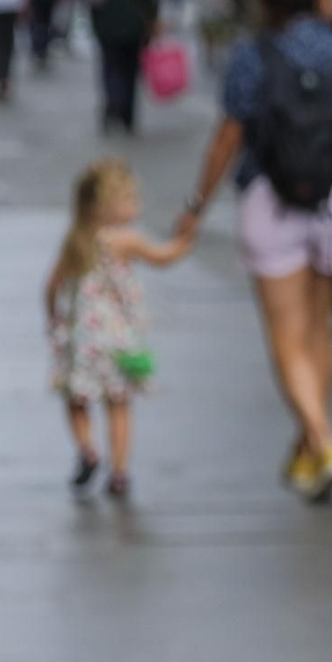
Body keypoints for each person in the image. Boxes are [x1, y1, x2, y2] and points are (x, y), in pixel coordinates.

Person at [175, 0, 332, 502]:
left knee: (286, 338)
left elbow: (228, 137)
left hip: (270, 205)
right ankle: (310, 448)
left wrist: (197, 205)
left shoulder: (254, 54)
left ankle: (323, 440)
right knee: (318, 331)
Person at [45, 156, 196, 500]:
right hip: (118, 340)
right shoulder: (126, 240)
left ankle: (87, 449)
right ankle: (119, 472)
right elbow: (163, 257)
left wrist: (53, 318)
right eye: (130, 199)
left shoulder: (76, 240)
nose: (136, 205)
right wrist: (185, 239)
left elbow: (52, 286)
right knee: (118, 404)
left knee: (77, 399)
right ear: (108, 206)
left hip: (83, 340)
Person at [83, 0, 158, 134]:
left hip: (108, 25)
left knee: (110, 67)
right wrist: (151, 19)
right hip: (133, 25)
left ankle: (114, 102)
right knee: (130, 70)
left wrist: (95, 25)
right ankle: (127, 113)